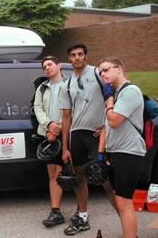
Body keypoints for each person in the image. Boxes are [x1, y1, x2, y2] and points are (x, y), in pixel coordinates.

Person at [59, 44, 117, 236]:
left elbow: (114, 97)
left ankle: (126, 221)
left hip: (96, 135)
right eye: (73, 55)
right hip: (77, 135)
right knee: (79, 179)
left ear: (86, 56)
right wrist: (65, 147)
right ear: (69, 58)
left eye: (80, 54)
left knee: (105, 179)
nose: (77, 58)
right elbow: (66, 117)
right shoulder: (67, 84)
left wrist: (106, 125)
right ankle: (82, 217)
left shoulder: (98, 74)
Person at [98, 57, 145, 238]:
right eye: (101, 71)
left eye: (106, 69)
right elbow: (105, 127)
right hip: (115, 152)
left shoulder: (130, 91)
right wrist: (101, 155)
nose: (103, 74)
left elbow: (114, 120)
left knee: (123, 201)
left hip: (129, 151)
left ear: (119, 69)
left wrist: (109, 100)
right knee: (121, 200)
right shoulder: (115, 95)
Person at [34, 56, 66, 227]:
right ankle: (56, 211)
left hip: (66, 134)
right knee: (53, 173)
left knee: (73, 173)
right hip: (48, 134)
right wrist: (49, 126)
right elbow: (37, 108)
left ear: (58, 66)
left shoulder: (69, 85)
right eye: (44, 66)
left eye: (50, 64)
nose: (47, 68)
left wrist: (59, 126)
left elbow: (73, 108)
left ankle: (81, 212)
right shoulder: (42, 87)